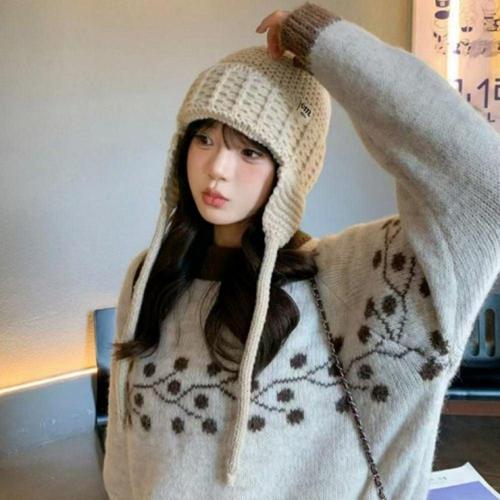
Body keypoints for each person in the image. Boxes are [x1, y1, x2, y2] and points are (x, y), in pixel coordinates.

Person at [102, 3, 500, 499]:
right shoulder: (150, 276)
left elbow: (485, 189)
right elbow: (124, 465)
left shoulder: (349, 282)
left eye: (250, 151)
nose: (218, 167)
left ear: (290, 170)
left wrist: (326, 44)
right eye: (204, 138)